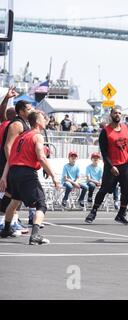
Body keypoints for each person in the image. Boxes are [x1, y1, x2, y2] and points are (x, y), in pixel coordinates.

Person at [0, 111, 59, 244]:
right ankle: (35, 235)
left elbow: (10, 159)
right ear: (38, 122)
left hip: (14, 172)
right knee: (41, 205)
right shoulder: (37, 136)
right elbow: (42, 157)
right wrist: (53, 175)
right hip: (26, 172)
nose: (46, 120)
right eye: (44, 118)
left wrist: (4, 176)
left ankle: (6, 229)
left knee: (14, 200)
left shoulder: (21, 136)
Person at [84, 107, 128, 225]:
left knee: (127, 190)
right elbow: (104, 152)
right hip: (111, 165)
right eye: (115, 113)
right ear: (111, 115)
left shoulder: (126, 128)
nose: (117, 115)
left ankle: (121, 214)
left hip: (125, 164)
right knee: (104, 190)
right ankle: (93, 211)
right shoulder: (105, 131)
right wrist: (111, 166)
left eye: (119, 113)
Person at [0, 100, 33, 222]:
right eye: (29, 109)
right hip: (10, 164)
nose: (32, 110)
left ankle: (11, 222)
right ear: (21, 111)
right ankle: (7, 222)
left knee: (15, 194)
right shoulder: (16, 124)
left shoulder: (25, 124)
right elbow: (7, 147)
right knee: (12, 194)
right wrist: (12, 165)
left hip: (15, 164)